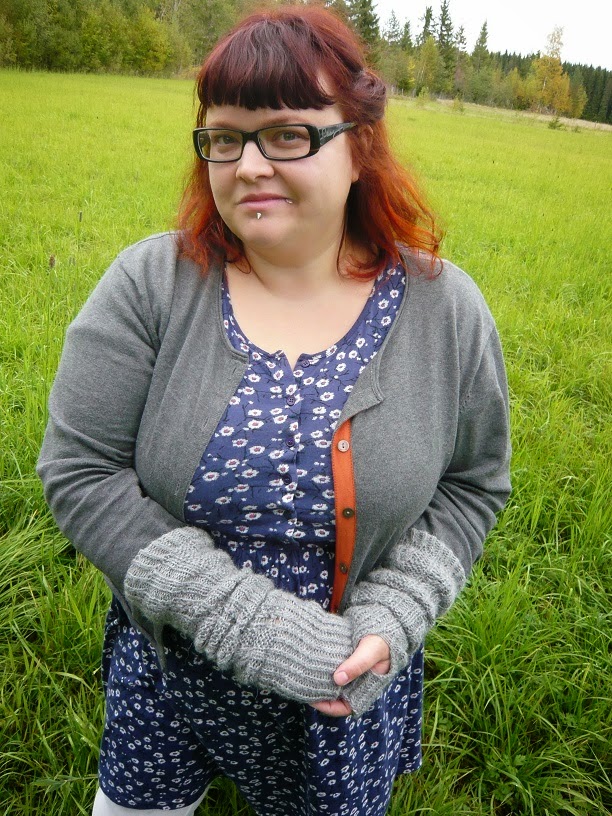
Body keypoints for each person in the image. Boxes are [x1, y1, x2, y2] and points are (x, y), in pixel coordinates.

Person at [37, 6, 511, 816]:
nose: (248, 165)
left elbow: (473, 484)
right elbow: (81, 470)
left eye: (288, 134)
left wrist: (394, 614)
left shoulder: (445, 311)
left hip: (343, 686)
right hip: (170, 675)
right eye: (224, 138)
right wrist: (245, 625)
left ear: (360, 146)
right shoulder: (152, 285)